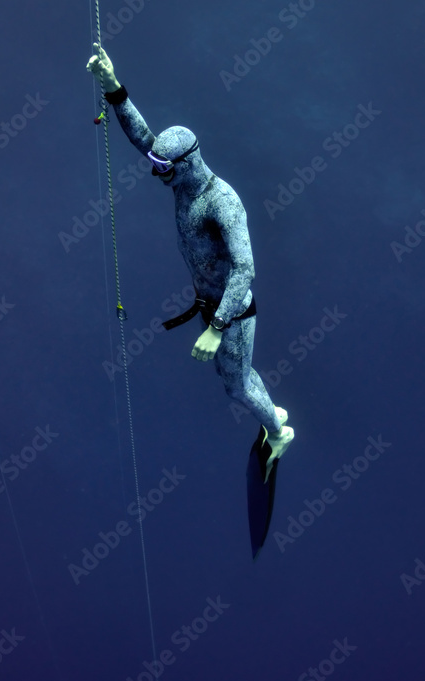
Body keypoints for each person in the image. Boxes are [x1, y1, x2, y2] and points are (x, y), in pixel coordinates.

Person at [86, 43, 294, 463]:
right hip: (211, 305)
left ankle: (278, 431)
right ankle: (270, 408)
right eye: (156, 165)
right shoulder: (181, 182)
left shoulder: (222, 202)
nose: (155, 173)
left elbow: (245, 270)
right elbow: (143, 138)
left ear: (186, 162)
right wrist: (112, 85)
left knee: (235, 386)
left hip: (231, 313)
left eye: (163, 167)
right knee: (237, 372)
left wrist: (216, 327)